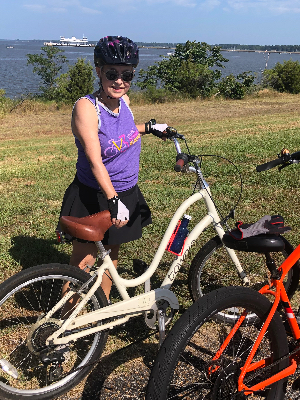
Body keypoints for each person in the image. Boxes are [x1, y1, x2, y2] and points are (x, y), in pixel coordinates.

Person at [57, 36, 168, 301]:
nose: (119, 81)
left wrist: (149, 128)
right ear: (98, 70)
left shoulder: (124, 102)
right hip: (97, 195)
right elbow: (95, 158)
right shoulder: (86, 107)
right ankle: (63, 323)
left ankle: (100, 316)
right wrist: (113, 199)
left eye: (126, 74)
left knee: (110, 257)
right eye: (112, 73)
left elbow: (125, 135)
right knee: (82, 264)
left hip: (125, 192)